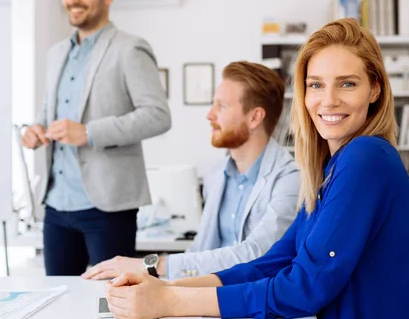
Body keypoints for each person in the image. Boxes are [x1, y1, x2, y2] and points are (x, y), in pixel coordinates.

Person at [104, 18, 409, 319]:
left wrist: (171, 303)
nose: (328, 100)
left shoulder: (366, 158)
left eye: (347, 83)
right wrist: (167, 287)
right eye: (315, 85)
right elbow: (270, 264)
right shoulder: (330, 170)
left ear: (375, 89)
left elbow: (303, 287)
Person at [82, 61, 299, 280]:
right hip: (210, 294)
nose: (209, 115)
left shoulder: (290, 179)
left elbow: (257, 254)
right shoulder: (216, 174)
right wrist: (150, 278)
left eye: (221, 106)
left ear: (254, 117)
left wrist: (152, 264)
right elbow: (201, 251)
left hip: (255, 301)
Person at [21, 0, 171, 275]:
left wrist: (89, 132)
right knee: (60, 300)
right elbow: (48, 110)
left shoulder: (130, 48)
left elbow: (158, 116)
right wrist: (36, 128)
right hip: (56, 205)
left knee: (113, 304)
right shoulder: (56, 53)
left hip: (108, 207)